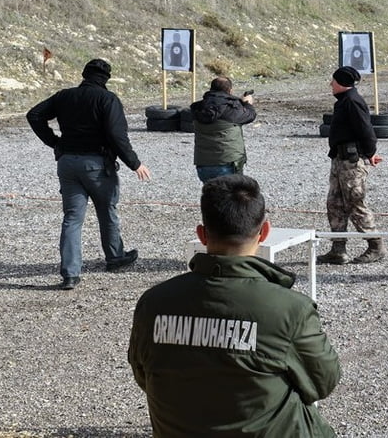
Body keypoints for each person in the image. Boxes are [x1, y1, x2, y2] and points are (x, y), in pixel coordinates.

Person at [127, 175, 341, 437]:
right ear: (264, 232)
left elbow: (143, 376)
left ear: (202, 235)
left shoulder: (153, 303)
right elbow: (323, 382)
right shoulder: (290, 310)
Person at [26, 58, 151, 290]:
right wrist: (134, 163)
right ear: (106, 79)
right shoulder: (108, 99)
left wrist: (54, 142)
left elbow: (34, 115)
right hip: (97, 165)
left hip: (67, 163)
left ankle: (70, 274)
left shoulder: (64, 96)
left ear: (84, 75)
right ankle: (115, 258)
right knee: (107, 211)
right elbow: (117, 135)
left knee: (72, 218)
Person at [319, 65, 385, 264]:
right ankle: (338, 249)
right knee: (335, 204)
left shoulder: (353, 102)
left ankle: (376, 246)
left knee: (355, 203)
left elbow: (366, 130)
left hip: (351, 162)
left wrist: (370, 153)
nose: (331, 84)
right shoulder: (344, 101)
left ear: (341, 83)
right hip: (340, 160)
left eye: (334, 81)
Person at [191, 76, 257, 182]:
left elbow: (217, 107)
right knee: (230, 196)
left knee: (212, 196)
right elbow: (250, 115)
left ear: (211, 89)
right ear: (230, 90)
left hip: (203, 164)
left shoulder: (198, 107)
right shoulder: (232, 108)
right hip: (227, 163)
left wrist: (237, 103)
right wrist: (247, 104)